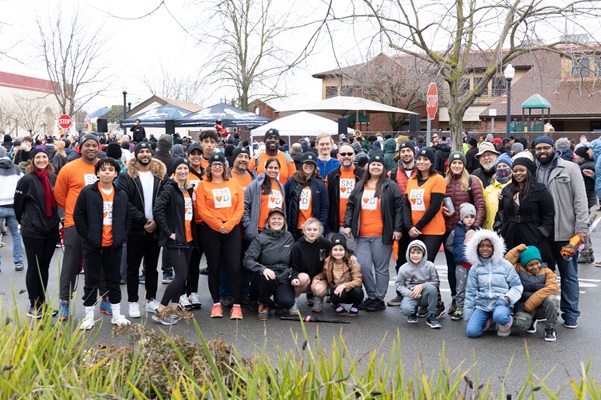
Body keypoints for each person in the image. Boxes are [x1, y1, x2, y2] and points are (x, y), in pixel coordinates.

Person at [533, 136, 588, 329]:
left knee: (569, 274)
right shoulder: (533, 170)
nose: (542, 151)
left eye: (546, 148)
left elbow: (581, 200)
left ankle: (570, 313)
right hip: (541, 235)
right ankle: (543, 311)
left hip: (566, 234)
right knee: (541, 275)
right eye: (538, 148)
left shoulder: (570, 168)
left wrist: (581, 229)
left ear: (553, 148)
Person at [73, 157, 131, 329]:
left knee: (114, 279)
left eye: (110, 169)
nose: (107, 172)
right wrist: (88, 236)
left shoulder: (121, 194)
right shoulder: (87, 192)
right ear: (97, 172)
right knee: (91, 280)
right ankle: (88, 316)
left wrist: (121, 236)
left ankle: (117, 314)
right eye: (103, 169)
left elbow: (127, 218)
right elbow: (79, 216)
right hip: (93, 244)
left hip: (113, 245)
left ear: (116, 173)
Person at [344, 152, 403, 312]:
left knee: (381, 268)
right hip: (362, 235)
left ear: (383, 168)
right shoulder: (361, 185)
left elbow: (399, 208)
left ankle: (378, 298)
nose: (375, 167)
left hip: (382, 235)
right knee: (362, 266)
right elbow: (350, 204)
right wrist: (347, 224)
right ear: (368, 167)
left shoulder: (390, 186)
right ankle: (371, 295)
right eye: (373, 164)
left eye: (379, 164)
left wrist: (397, 229)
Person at [54, 134, 105, 320]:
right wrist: (72, 212)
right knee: (71, 263)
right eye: (87, 145)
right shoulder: (69, 168)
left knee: (101, 262)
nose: (91, 148)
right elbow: (60, 195)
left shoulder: (103, 166)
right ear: (80, 148)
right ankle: (64, 302)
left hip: (100, 223)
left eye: (94, 145)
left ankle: (105, 299)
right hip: (74, 223)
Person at [118, 142, 166, 318]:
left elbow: (164, 200)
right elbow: (125, 202)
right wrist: (144, 220)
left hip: (155, 229)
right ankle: (132, 301)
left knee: (152, 267)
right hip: (135, 229)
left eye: (147, 152)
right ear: (135, 154)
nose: (145, 154)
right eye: (141, 152)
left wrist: (156, 222)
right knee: (133, 267)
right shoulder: (126, 177)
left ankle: (151, 298)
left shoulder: (160, 175)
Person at [196, 152, 245, 319]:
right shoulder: (203, 185)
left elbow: (240, 207)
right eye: (214, 164)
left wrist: (229, 225)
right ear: (209, 167)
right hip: (211, 231)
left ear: (225, 167)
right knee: (214, 267)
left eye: (220, 164)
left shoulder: (234, 183)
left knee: (235, 268)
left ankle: (237, 305)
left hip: (231, 230)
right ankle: (216, 303)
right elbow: (202, 210)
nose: (217, 167)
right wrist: (218, 225)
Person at [14, 147, 60, 317]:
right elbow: (18, 205)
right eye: (38, 157)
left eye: (44, 157)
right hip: (33, 230)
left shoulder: (53, 178)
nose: (41, 160)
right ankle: (34, 304)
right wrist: (25, 223)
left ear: (48, 159)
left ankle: (42, 303)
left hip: (51, 230)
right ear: (32, 160)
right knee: (34, 267)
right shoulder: (27, 180)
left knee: (44, 267)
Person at [152, 157, 196, 326]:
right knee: (180, 276)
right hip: (176, 239)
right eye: (180, 169)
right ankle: (160, 311)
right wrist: (169, 232)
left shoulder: (187, 190)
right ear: (174, 172)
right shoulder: (169, 188)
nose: (183, 171)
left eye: (186, 168)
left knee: (183, 278)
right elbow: (158, 210)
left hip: (188, 238)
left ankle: (172, 309)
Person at [441, 151, 485, 314]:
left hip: (467, 233)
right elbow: (437, 202)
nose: (457, 166)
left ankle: (472, 300)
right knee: (452, 269)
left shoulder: (472, 181)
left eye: (460, 163)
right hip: (449, 232)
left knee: (471, 268)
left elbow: (480, 205)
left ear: (464, 165)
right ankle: (455, 299)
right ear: (449, 165)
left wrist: (474, 228)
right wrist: (442, 210)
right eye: (454, 163)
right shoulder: (444, 182)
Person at [495, 157, 555, 268]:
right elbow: (500, 213)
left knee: (535, 270)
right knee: (510, 268)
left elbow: (548, 214)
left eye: (522, 170)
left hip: (533, 235)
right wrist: (499, 229)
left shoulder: (539, 190)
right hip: (510, 235)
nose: (518, 173)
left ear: (529, 171)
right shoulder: (507, 190)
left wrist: (541, 232)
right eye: (515, 170)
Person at [464, 229, 523, 338]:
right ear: (476, 248)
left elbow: (517, 285)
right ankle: (489, 320)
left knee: (500, 316)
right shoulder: (475, 268)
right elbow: (470, 292)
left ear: (495, 248)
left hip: (501, 302)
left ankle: (505, 322)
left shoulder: (505, 265)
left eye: (489, 246)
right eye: (481, 246)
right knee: (472, 332)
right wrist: (469, 316)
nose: (485, 249)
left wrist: (508, 298)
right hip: (482, 304)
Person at [243, 208, 295, 321]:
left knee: (286, 302)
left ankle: (276, 301)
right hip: (264, 277)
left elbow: (294, 259)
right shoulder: (260, 238)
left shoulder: (289, 237)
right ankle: (263, 303)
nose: (276, 221)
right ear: (268, 221)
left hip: (282, 276)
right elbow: (247, 260)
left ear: (284, 221)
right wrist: (262, 269)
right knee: (268, 278)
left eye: (280, 218)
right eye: (273, 218)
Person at [505, 244, 559, 342]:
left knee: (552, 299)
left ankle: (550, 328)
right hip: (524, 307)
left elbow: (553, 288)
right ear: (525, 264)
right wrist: (517, 250)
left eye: (537, 263)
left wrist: (531, 302)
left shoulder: (547, 271)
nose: (535, 267)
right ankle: (531, 320)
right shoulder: (518, 268)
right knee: (520, 324)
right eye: (531, 265)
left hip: (539, 307)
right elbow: (506, 264)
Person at [403, 148, 446, 262]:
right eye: (419, 159)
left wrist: (417, 227)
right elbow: (407, 204)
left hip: (432, 230)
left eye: (425, 159)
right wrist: (409, 227)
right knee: (413, 264)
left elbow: (435, 207)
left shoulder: (438, 179)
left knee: (425, 263)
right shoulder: (412, 179)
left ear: (432, 162)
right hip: (413, 230)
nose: (421, 161)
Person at [311, 234, 363, 316]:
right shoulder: (328, 262)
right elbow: (323, 274)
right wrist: (315, 279)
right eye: (335, 250)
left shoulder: (351, 261)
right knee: (335, 294)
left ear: (345, 250)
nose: (338, 252)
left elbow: (358, 281)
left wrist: (343, 286)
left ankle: (355, 306)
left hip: (350, 290)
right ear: (331, 251)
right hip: (337, 291)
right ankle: (336, 305)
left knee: (358, 291)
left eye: (341, 250)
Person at [395, 239, 441, 328]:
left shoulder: (430, 266)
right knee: (406, 310)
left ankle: (431, 315)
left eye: (419, 253)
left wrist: (422, 286)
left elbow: (436, 282)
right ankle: (412, 313)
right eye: (412, 253)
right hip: (411, 295)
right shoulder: (403, 268)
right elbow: (398, 284)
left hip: (426, 295)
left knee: (431, 288)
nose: (415, 255)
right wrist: (409, 293)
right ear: (408, 254)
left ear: (423, 254)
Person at [289, 218, 331, 314]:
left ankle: (318, 299)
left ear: (319, 231)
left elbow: (338, 249)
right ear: (304, 231)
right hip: (305, 278)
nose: (312, 232)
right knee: (303, 278)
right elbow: (294, 267)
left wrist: (351, 254)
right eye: (309, 229)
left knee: (320, 290)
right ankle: (294, 301)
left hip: (319, 277)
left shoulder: (325, 243)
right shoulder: (297, 247)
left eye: (315, 230)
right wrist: (294, 278)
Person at [326, 143, 365, 243]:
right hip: (335, 225)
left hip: (356, 225)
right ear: (338, 156)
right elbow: (326, 202)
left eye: (349, 153)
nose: (346, 156)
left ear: (354, 156)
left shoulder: (364, 175)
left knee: (354, 257)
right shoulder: (331, 176)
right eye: (343, 154)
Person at [284, 152, 328, 239]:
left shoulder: (320, 184)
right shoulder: (291, 181)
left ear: (315, 166)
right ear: (301, 164)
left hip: (312, 230)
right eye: (306, 163)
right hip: (294, 228)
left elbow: (324, 207)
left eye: (312, 164)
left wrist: (320, 227)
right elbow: (285, 202)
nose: (309, 166)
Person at [444, 203, 477, 320]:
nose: (469, 219)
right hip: (461, 265)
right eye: (467, 217)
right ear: (462, 218)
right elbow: (448, 244)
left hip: (474, 266)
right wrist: (457, 252)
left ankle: (472, 309)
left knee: (473, 288)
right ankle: (459, 308)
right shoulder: (455, 231)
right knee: (460, 287)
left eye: (472, 217)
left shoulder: (477, 232)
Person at [242, 157, 286, 242]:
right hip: (259, 231)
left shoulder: (281, 187)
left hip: (275, 231)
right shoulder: (256, 185)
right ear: (265, 169)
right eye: (270, 167)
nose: (273, 170)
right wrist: (249, 225)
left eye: (276, 168)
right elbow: (245, 206)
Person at [0, 145, 24, 272]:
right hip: (14, 205)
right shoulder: (16, 168)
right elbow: (22, 184)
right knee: (16, 235)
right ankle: (18, 262)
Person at [482, 154, 512, 230]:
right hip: (489, 231)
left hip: (508, 231)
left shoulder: (515, 188)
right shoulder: (488, 189)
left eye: (504, 165)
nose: (502, 168)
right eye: (499, 167)